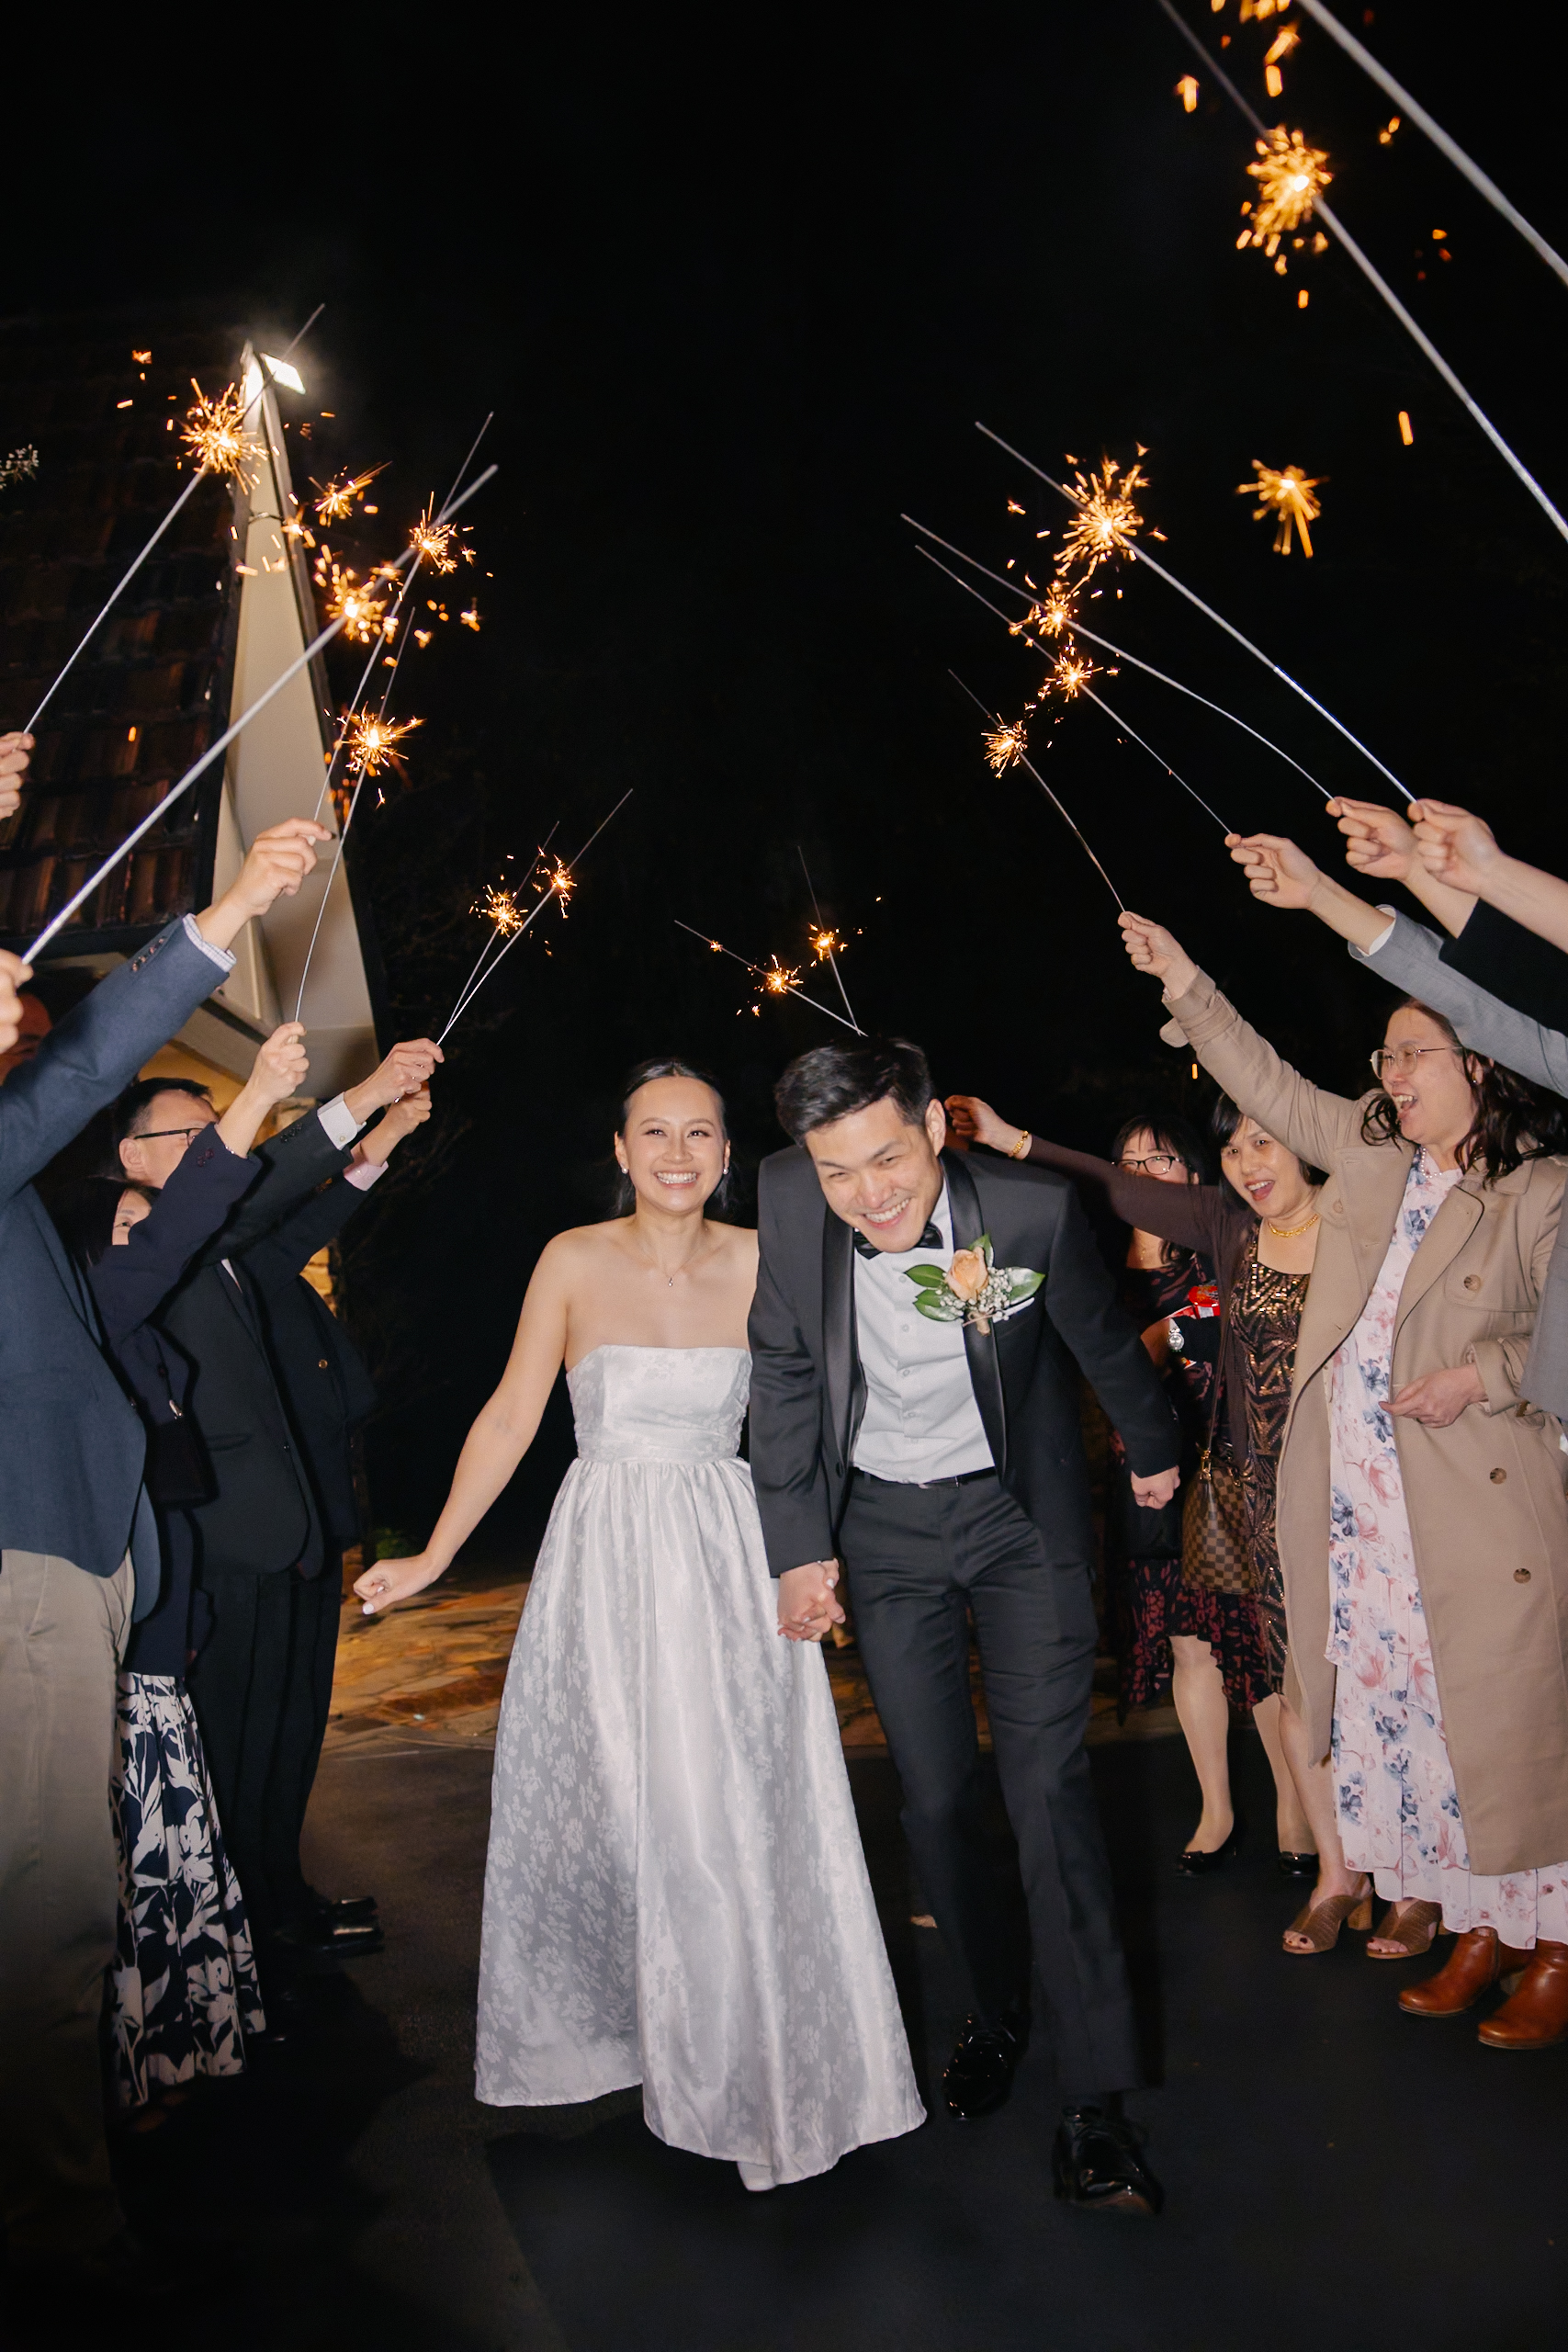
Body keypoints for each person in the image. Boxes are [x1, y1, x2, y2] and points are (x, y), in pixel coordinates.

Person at [354, 1058, 924, 2191]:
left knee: (730, 1808)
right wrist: (433, 1553)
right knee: (628, 1806)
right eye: (654, 1132)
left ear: (728, 1152)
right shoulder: (572, 1259)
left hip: (727, 1554)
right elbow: (513, 1414)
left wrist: (818, 1556)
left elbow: (819, 1413)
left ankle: (747, 2069)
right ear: (620, 1151)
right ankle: (636, 2041)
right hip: (606, 1561)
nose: (676, 1153)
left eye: (699, 1132)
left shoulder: (766, 1257)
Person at [1122, 898, 1568, 2046]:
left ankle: (1555, 1943)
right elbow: (1264, 1083)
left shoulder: (1540, 1187)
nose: (1391, 1074)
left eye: (1413, 1054)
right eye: (1385, 1057)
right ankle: (1476, 1922)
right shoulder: (1377, 1154)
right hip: (1368, 1502)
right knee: (1421, 1718)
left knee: (1511, 1717)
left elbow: (1554, 1344)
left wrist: (1478, 1374)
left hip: (1480, 1498)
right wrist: (1183, 979)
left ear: (1482, 1061)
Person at [747, 1037, 1178, 2214]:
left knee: (1048, 1794)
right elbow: (783, 1371)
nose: (868, 1194)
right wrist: (797, 1546)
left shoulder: (1032, 1214)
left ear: (936, 1125)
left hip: (1016, 1517)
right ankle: (996, 2008)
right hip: (883, 1529)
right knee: (935, 1799)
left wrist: (1153, 1451)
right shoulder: (789, 1201)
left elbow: (1099, 1338)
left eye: (888, 1158)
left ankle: (1093, 2101)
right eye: (839, 1171)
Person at [0, 794, 332, 2280]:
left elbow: (168, 1225)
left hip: (74, 1559)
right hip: (25, 1559)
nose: (22, 991)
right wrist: (225, 919)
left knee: (63, 1900)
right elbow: (79, 1073)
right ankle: (58, 2234)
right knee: (49, 1906)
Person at [110, 1035, 440, 1990]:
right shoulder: (144, 1249)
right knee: (233, 1743)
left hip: (292, 1531)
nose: (217, 1146)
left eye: (216, 1130)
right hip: (225, 1540)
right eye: (191, 1136)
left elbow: (292, 1227)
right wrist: (362, 1095)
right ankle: (242, 1930)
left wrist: (381, 1141)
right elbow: (256, 1197)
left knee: (289, 1736)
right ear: (132, 1157)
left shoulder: (228, 1253)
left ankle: (281, 1897)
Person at [944, 1097, 1314, 1881]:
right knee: (1187, 1644)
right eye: (1130, 1163)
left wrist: (1169, 1333)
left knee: (1255, 1643)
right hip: (1148, 1478)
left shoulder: (1226, 1239)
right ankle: (1215, 1810)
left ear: (1191, 1172)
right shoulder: (1090, 1258)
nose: (1144, 1175)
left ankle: (1293, 1808)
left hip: (1230, 1470)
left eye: (1160, 1160)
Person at [54, 1023, 313, 2120]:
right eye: (124, 1229)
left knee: (177, 1848)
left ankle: (185, 2038)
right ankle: (140, 2057)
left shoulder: (146, 1347)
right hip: (127, 1641)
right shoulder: (101, 1317)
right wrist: (253, 1097)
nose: (143, 1241)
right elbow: (171, 1240)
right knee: (137, 1859)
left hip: (168, 1622)